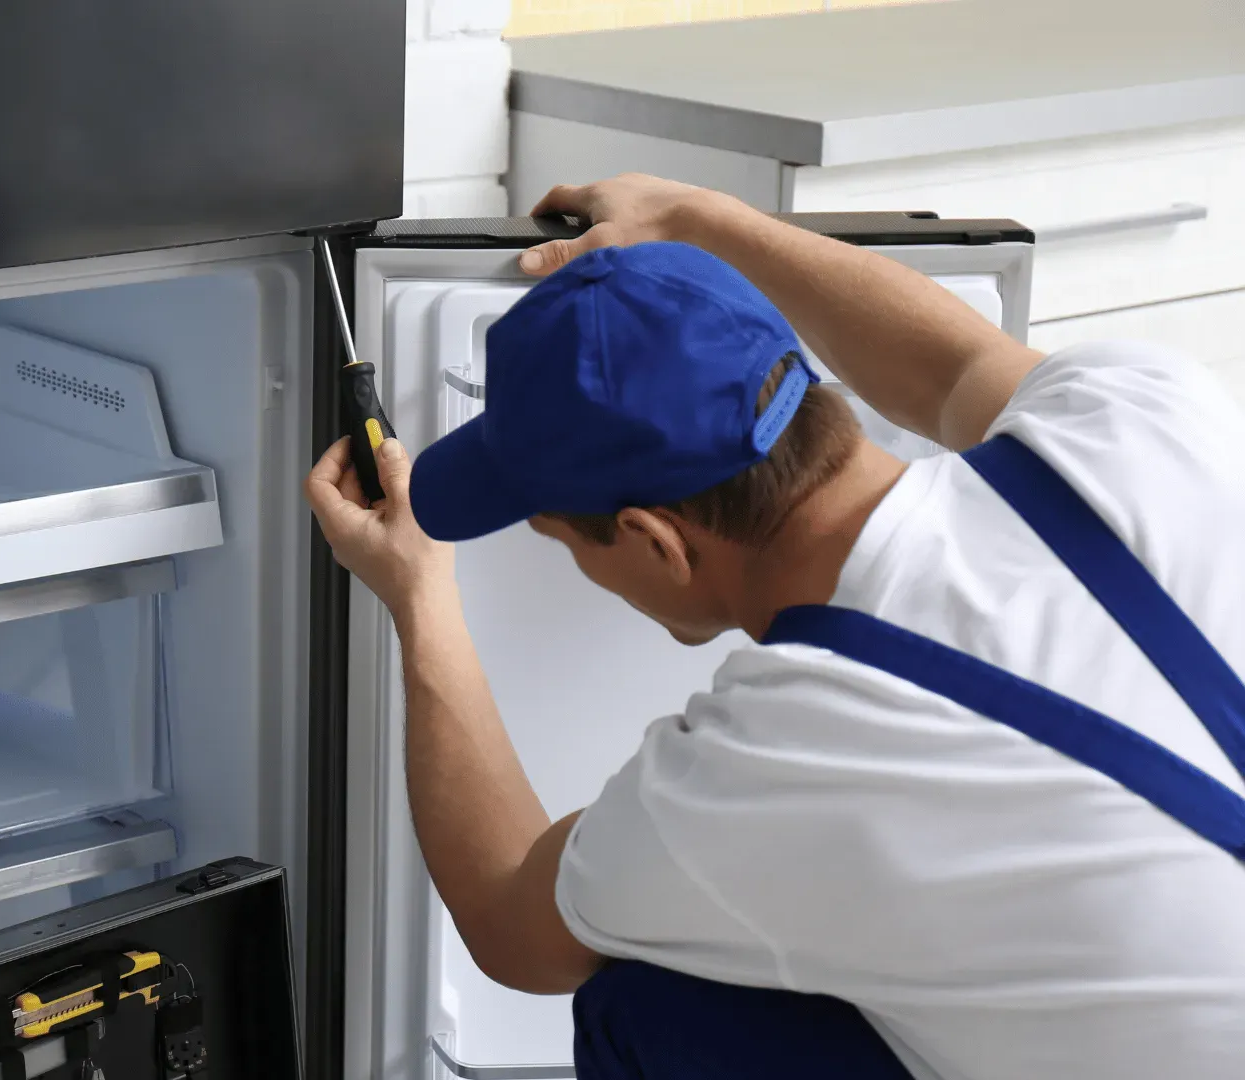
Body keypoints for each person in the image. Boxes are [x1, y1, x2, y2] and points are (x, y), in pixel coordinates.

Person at [304, 174, 1245, 1079]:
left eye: (558, 539)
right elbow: (953, 362)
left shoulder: (779, 755)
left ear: (652, 539)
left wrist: (419, 599)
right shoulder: (1141, 418)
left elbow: (516, 923)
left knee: (650, 1008)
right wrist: (700, 217)